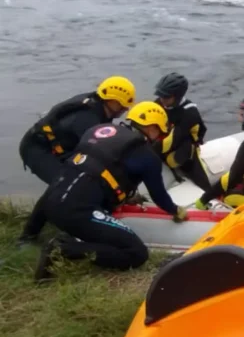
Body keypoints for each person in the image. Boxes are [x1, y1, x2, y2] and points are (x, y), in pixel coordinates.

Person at [19, 101, 189, 283]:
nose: (159, 138)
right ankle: (63, 249)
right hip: (76, 211)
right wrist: (175, 210)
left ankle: (32, 238)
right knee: (137, 253)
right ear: (152, 128)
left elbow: (96, 171)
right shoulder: (148, 158)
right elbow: (159, 196)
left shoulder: (99, 130)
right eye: (160, 133)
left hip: (51, 201)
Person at [18, 76, 137, 185]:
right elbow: (99, 153)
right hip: (37, 148)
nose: (125, 108)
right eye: (122, 104)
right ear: (111, 100)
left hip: (61, 145)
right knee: (66, 183)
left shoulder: (99, 106)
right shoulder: (86, 118)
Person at [153, 72, 211, 191]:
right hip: (164, 138)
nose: (162, 99)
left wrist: (147, 151)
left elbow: (171, 141)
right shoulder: (158, 103)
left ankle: (208, 193)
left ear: (177, 96)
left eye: (166, 97)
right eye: (161, 95)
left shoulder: (190, 113)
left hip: (184, 146)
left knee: (201, 181)